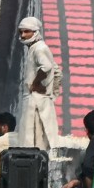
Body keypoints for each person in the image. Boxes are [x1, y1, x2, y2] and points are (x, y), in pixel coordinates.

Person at [16, 16, 59, 151]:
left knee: (31, 139)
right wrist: (52, 93)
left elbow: (46, 67)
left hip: (34, 99)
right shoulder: (35, 48)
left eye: (26, 31)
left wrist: (36, 84)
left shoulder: (39, 48)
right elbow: (57, 72)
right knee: (39, 138)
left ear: (35, 32)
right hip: (40, 99)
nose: (23, 35)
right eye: (21, 32)